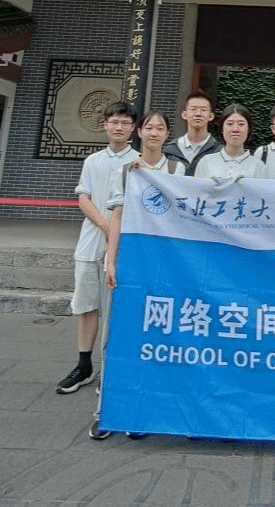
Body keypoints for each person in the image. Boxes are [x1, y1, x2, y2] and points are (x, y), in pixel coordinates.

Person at [91, 110, 179, 440]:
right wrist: (112, 259)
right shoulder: (127, 171)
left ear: (167, 134)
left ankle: (143, 411)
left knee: (155, 336)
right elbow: (117, 216)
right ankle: (105, 411)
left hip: (164, 263)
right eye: (149, 127)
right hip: (132, 259)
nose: (154, 133)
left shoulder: (177, 170)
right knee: (118, 333)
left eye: (160, 128)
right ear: (139, 132)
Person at [56, 101, 138, 394]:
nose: (119, 127)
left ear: (133, 128)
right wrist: (106, 228)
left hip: (121, 249)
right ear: (105, 125)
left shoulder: (138, 162)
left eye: (125, 123)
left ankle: (111, 368)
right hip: (90, 244)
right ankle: (84, 366)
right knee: (86, 306)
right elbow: (84, 198)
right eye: (114, 122)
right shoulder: (93, 161)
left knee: (115, 310)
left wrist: (113, 237)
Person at [194, 104, 266, 180]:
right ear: (222, 129)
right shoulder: (206, 162)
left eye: (241, 124)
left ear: (249, 129)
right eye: (230, 124)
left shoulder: (258, 166)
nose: (235, 129)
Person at [163, 90, 220, 176]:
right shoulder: (170, 150)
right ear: (184, 114)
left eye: (203, 110)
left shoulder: (218, 151)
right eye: (193, 109)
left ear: (211, 116)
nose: (198, 114)